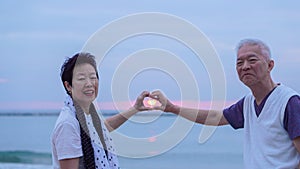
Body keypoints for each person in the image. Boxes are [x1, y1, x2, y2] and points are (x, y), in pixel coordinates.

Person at [150, 39, 300, 168]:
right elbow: (215, 117)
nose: (245, 66)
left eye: (252, 60)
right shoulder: (248, 103)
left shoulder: (289, 102)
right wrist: (172, 108)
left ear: (270, 65)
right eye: (239, 62)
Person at [51, 52, 151, 169]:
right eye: (81, 79)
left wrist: (135, 109)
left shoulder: (86, 115)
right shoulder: (68, 124)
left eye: (93, 77)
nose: (89, 84)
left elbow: (103, 128)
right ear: (68, 86)